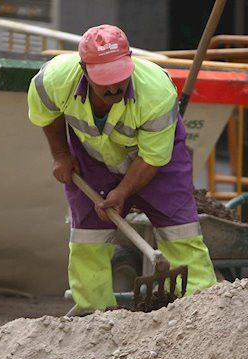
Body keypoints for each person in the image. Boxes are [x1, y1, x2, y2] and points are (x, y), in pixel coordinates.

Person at [27, 24, 216, 313]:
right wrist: (61, 155)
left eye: (120, 78)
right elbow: (46, 114)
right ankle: (94, 314)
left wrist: (123, 191)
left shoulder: (156, 92)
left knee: (181, 231)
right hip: (92, 158)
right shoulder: (54, 80)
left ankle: (204, 310)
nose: (114, 87)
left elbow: (152, 158)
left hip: (154, 161)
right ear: (83, 69)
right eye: (104, 81)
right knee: (87, 237)